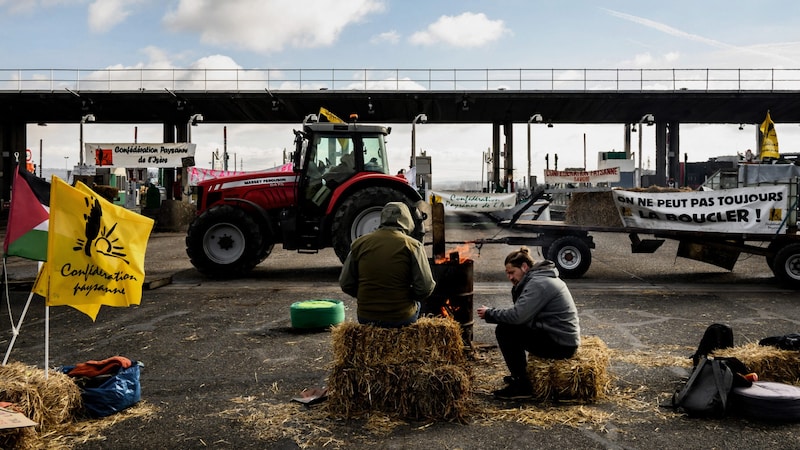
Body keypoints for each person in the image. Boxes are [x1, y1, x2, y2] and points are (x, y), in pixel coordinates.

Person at [476, 247, 580, 400]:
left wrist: (490, 313)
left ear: (524, 267)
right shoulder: (537, 279)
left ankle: (522, 386)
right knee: (511, 328)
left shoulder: (539, 283)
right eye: (507, 273)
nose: (509, 277)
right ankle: (521, 377)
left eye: (512, 272)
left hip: (561, 345)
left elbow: (518, 316)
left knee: (505, 331)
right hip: (558, 337)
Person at [339, 202, 435, 328]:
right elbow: (426, 287)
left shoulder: (360, 243)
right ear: (407, 220)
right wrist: (409, 296)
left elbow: (346, 283)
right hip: (401, 317)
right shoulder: (412, 245)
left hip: (366, 317)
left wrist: (368, 297)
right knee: (419, 306)